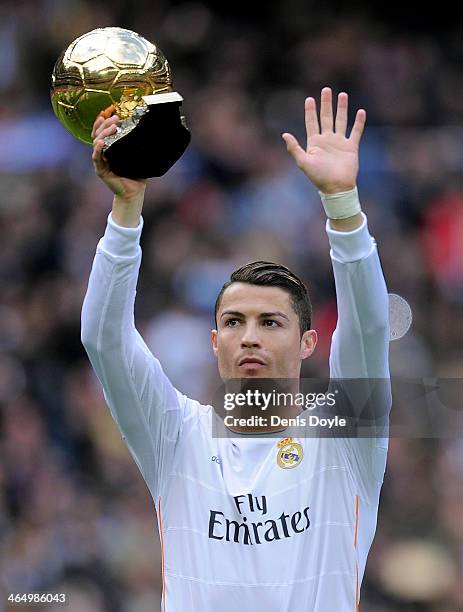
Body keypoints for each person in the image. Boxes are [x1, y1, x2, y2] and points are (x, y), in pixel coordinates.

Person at [81, 87, 391, 611]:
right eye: (233, 322)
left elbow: (368, 331)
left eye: (271, 322)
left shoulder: (346, 437)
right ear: (214, 342)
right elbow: (103, 338)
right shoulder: (175, 435)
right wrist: (126, 208)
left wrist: (343, 208)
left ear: (308, 342)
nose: (249, 336)